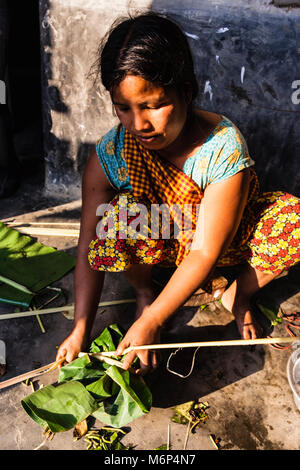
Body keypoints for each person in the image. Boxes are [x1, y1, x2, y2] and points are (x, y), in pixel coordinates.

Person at [56, 12, 300, 375]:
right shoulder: (112, 152)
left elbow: (205, 249)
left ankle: (239, 293)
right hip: (163, 241)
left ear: (185, 92)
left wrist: (154, 322)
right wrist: (80, 329)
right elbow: (86, 242)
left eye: (153, 105)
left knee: (294, 220)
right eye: (123, 108)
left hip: (222, 244)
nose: (139, 125)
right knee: (110, 223)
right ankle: (145, 292)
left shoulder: (222, 148)